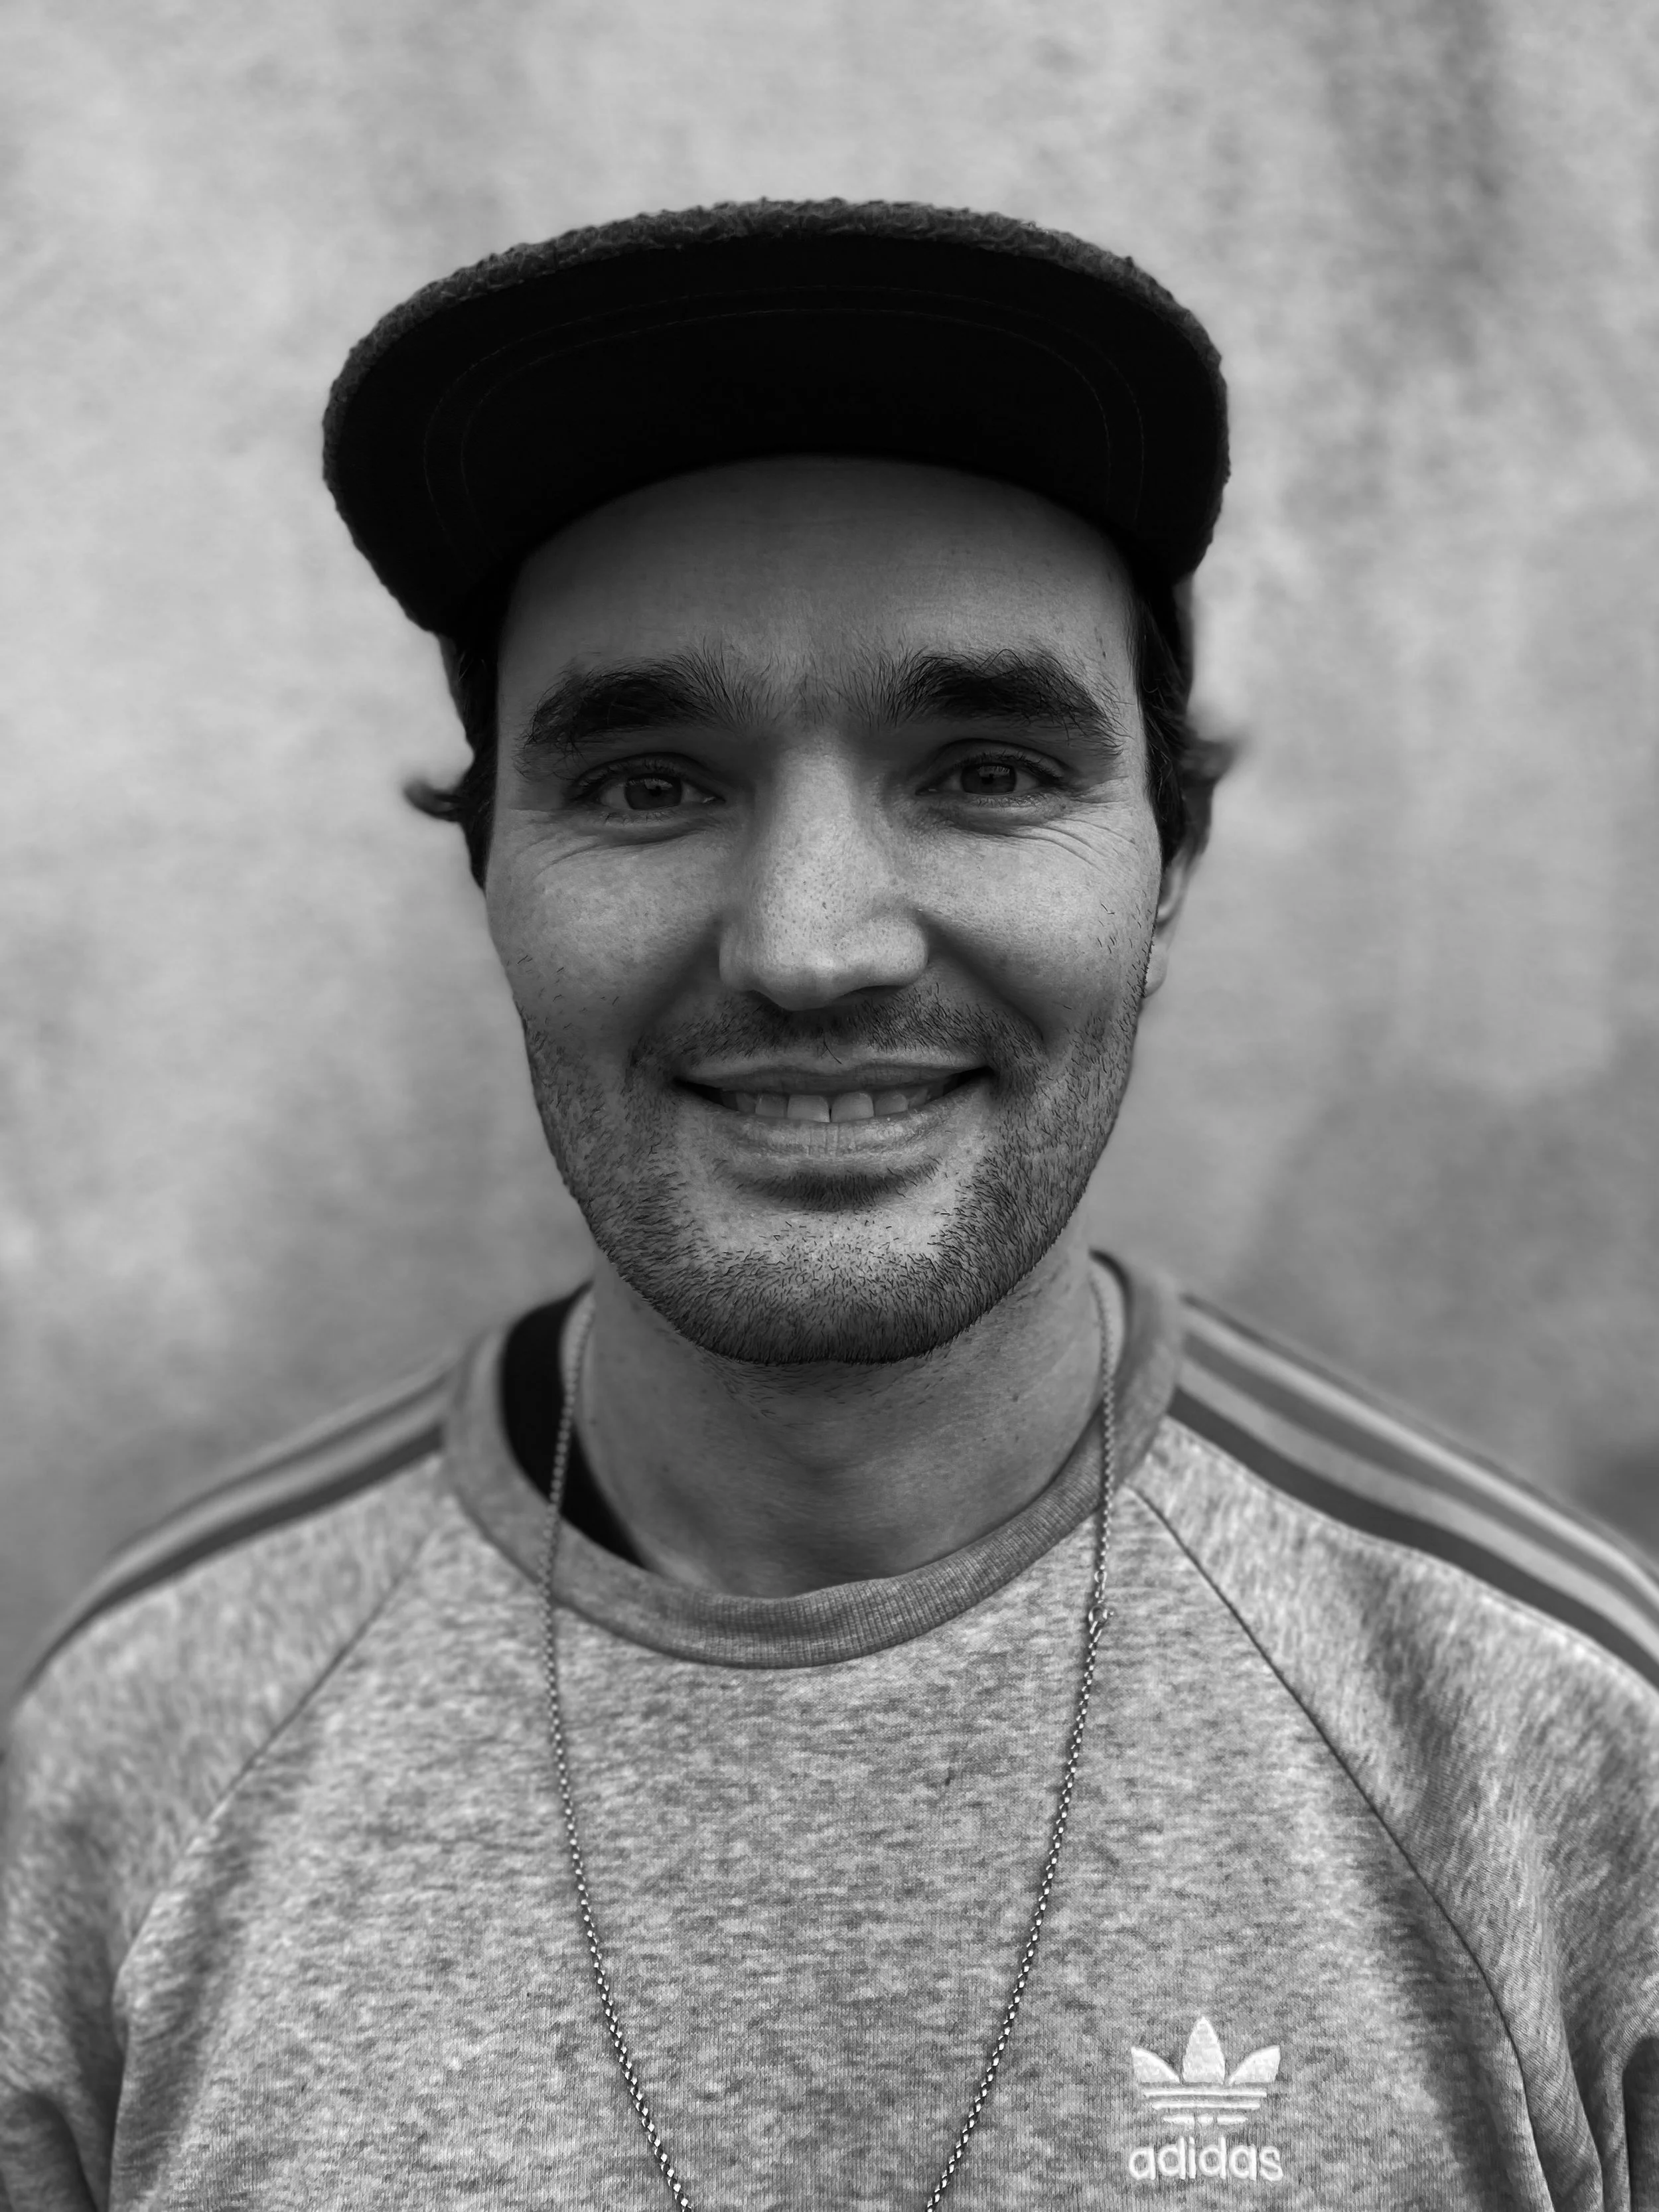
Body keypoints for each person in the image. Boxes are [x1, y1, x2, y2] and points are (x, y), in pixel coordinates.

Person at [3, 200, 1656, 2212]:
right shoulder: (129, 1761)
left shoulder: (1560, 1749)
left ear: (1166, 863)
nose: (809, 946)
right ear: (491, 876)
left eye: (980, 767)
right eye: (643, 783)